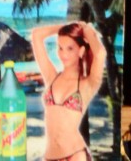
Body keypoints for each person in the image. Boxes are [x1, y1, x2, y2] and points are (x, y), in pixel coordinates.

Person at [30, 21, 106, 161]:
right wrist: (67, 27)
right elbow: (36, 35)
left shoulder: (87, 84)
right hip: (49, 156)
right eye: (60, 48)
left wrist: (85, 28)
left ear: (81, 51)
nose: (63, 54)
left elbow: (100, 53)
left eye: (70, 48)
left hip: (75, 155)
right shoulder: (52, 77)